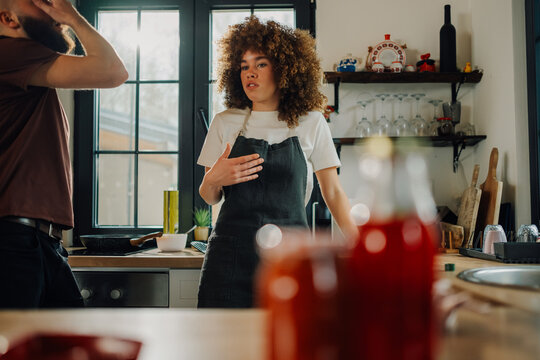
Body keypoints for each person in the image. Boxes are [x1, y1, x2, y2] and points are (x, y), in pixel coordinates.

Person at [197, 16, 358, 308]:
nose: (250, 73)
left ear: (284, 69)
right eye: (244, 66)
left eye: (260, 64)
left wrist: (361, 247)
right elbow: (209, 196)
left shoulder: (311, 122)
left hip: (292, 261)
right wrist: (214, 178)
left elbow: (333, 192)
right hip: (229, 261)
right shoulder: (225, 122)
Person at [0, 0, 128, 308]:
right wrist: (71, 17)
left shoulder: (24, 70)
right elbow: (112, 71)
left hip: (36, 240)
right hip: (14, 240)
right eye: (37, 2)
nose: (52, 7)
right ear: (8, 18)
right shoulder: (9, 53)